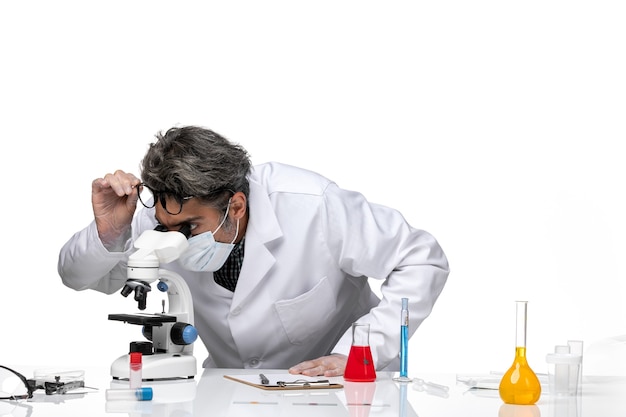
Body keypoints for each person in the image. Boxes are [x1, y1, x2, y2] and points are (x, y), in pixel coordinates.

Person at [58, 125, 449, 377]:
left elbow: (422, 258)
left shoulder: (314, 205)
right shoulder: (163, 216)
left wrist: (358, 353)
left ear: (237, 206)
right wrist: (109, 232)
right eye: (167, 227)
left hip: (343, 391)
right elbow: (75, 276)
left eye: (191, 228)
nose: (174, 237)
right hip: (235, 391)